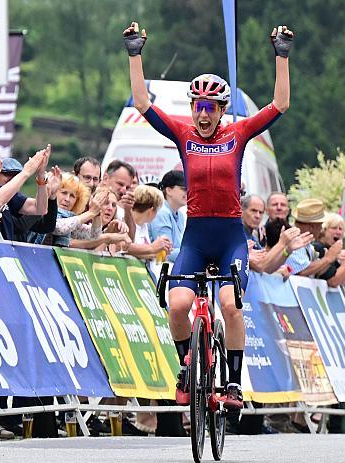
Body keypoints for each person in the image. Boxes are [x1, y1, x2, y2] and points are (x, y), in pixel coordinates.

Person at [123, 20, 293, 411]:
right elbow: (144, 104)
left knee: (231, 305)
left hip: (230, 235)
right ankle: (186, 365)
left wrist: (280, 57)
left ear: (221, 110)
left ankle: (232, 383)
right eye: (197, 107)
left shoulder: (237, 133)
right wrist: (135, 55)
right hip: (196, 238)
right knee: (178, 304)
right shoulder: (182, 134)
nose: (202, 114)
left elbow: (279, 105)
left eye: (210, 108)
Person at [0, 145, 51, 241]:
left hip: (5, 253)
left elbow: (40, 209)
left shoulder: (0, 189)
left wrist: (41, 176)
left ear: (0, 166)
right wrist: (26, 172)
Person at [285, 199, 341, 277]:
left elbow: (317, 270)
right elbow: (303, 270)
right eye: (320, 225)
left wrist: (333, 257)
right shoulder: (293, 241)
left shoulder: (307, 244)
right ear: (312, 226)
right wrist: (328, 258)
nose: (321, 229)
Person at [312, 213, 345, 287]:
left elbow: (342, 282)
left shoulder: (333, 251)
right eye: (334, 228)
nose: (338, 232)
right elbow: (333, 281)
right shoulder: (319, 248)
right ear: (324, 230)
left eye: (340, 229)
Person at [126, 184, 172, 259]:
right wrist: (152, 248)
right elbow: (125, 248)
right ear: (151, 210)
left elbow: (139, 254)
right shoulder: (125, 221)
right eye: (157, 210)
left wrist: (158, 251)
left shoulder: (143, 226)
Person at [150, 170, 187, 262]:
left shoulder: (181, 216)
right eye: (184, 189)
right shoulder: (161, 212)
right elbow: (165, 252)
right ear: (169, 190)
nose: (188, 192)